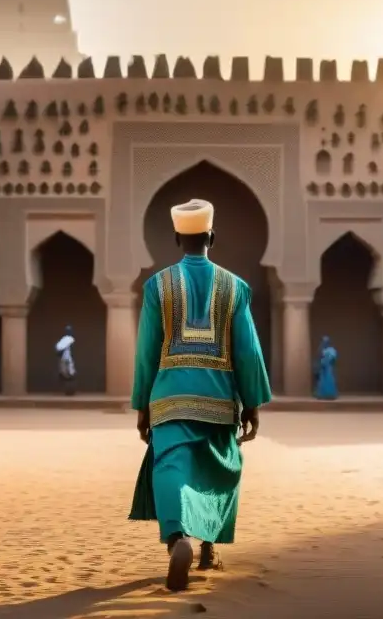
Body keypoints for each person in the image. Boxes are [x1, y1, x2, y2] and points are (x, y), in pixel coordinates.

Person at [129, 198, 272, 592]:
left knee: (171, 467)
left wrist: (142, 404)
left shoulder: (157, 286)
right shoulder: (235, 287)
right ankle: (209, 548)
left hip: (169, 397)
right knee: (217, 470)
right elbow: (248, 351)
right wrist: (253, 404)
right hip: (219, 398)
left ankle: (178, 540)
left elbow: (145, 350)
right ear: (212, 236)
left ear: (177, 237)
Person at [313, 335, 339, 400]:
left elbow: (333, 358)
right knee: (322, 381)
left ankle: (331, 394)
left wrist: (327, 361)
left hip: (329, 368)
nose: (324, 343)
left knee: (329, 380)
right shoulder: (322, 350)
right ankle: (322, 394)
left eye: (326, 341)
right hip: (323, 368)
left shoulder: (331, 350)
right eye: (323, 341)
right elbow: (319, 358)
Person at [56, 325, 77, 396]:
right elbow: (59, 348)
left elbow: (58, 348)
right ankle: (69, 391)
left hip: (65, 359)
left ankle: (69, 391)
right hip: (66, 359)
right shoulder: (69, 339)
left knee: (67, 374)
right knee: (69, 374)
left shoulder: (64, 339)